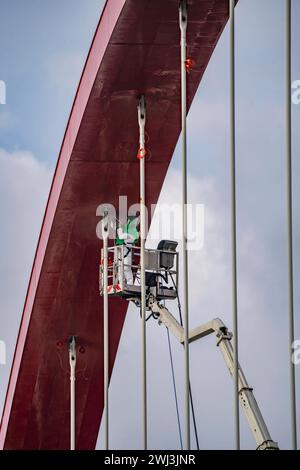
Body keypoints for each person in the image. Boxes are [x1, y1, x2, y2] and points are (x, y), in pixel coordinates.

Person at [115, 216, 139, 285]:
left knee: (126, 269)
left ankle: (129, 284)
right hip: (122, 255)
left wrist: (119, 227)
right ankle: (122, 284)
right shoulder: (131, 235)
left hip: (126, 256)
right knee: (120, 271)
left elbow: (121, 236)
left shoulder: (129, 235)